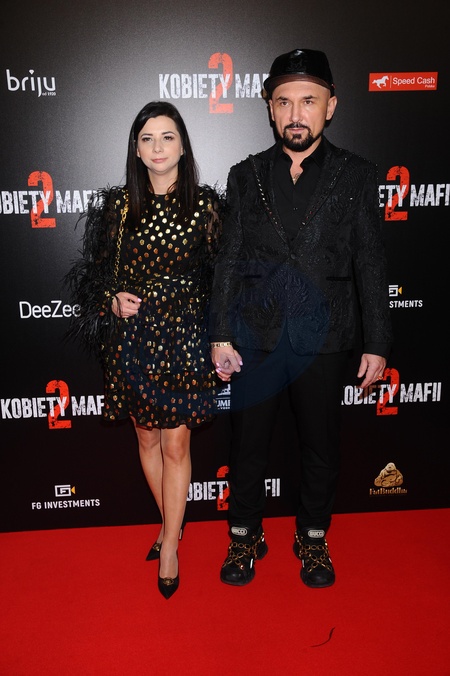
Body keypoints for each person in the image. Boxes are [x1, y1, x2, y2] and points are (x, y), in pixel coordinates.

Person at [209, 49, 393, 588]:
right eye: (284, 102)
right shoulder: (244, 175)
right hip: (256, 338)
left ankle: (312, 537)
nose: (296, 114)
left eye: (308, 101)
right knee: (247, 447)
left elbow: (370, 261)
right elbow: (228, 259)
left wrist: (378, 341)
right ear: (270, 109)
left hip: (326, 338)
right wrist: (220, 333)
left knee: (320, 447)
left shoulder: (357, 174)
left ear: (330, 106)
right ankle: (245, 535)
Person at [66, 101, 221, 599]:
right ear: (135, 148)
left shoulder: (205, 205)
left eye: (167, 137)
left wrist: (219, 336)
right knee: (147, 439)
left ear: (183, 145)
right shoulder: (118, 206)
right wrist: (111, 299)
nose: (157, 147)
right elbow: (95, 275)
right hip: (133, 341)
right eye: (147, 138)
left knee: (177, 446)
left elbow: (222, 279)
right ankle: (171, 522)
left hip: (184, 339)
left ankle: (170, 544)